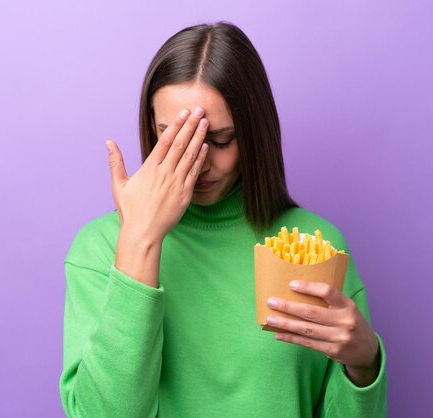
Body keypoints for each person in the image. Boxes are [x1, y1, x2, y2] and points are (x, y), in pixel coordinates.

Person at [59, 21, 388, 417]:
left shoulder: (312, 246)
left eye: (219, 140)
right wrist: (140, 238)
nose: (197, 163)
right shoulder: (102, 246)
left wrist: (365, 362)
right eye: (173, 136)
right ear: (151, 125)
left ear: (253, 133)